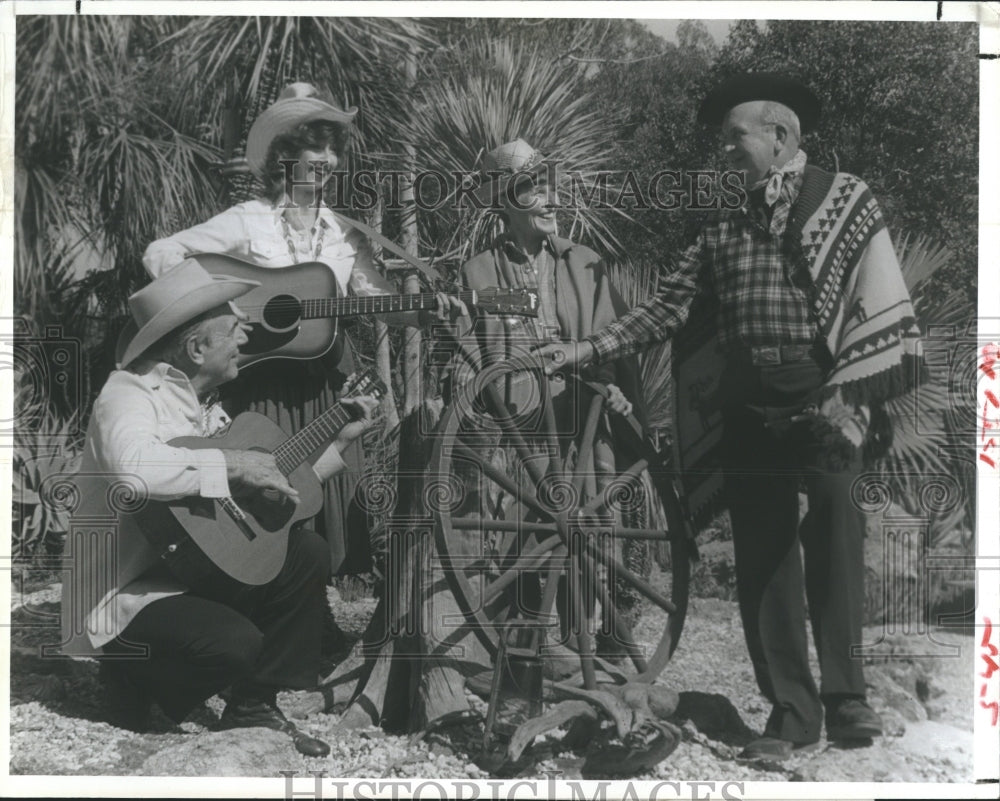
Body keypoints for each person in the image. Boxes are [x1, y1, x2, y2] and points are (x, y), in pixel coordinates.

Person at [535, 74, 926, 760]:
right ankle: (792, 714)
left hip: (828, 396)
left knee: (837, 524)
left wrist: (849, 392)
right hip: (748, 406)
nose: (726, 153)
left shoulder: (847, 198)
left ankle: (848, 700)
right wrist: (584, 346)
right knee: (764, 556)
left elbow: (876, 289)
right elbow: (665, 310)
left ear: (780, 137)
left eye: (735, 138)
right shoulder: (721, 227)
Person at [143, 83, 461, 651]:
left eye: (333, 153)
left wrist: (428, 314)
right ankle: (268, 614)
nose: (330, 163)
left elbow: (374, 295)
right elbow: (161, 252)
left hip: (326, 382)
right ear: (285, 158)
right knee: (270, 492)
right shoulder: (247, 221)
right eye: (317, 153)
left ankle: (313, 618)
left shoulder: (343, 232)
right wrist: (221, 306)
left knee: (323, 489)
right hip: (262, 386)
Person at [59, 259, 380, 755]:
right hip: (129, 599)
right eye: (233, 330)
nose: (243, 340)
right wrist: (234, 464)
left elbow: (259, 496)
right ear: (196, 347)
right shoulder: (127, 396)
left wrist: (337, 443)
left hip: (195, 573)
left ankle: (252, 704)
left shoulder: (204, 405)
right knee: (235, 643)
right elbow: (134, 471)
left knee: (305, 550)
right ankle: (129, 677)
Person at [451, 139, 649, 654]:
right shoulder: (477, 272)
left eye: (550, 189)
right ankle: (526, 647)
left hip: (579, 421)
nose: (549, 201)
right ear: (506, 202)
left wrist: (616, 392)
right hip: (518, 430)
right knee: (522, 535)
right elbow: (471, 347)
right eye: (535, 191)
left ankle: (590, 639)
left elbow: (616, 339)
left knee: (585, 527)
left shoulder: (585, 264)